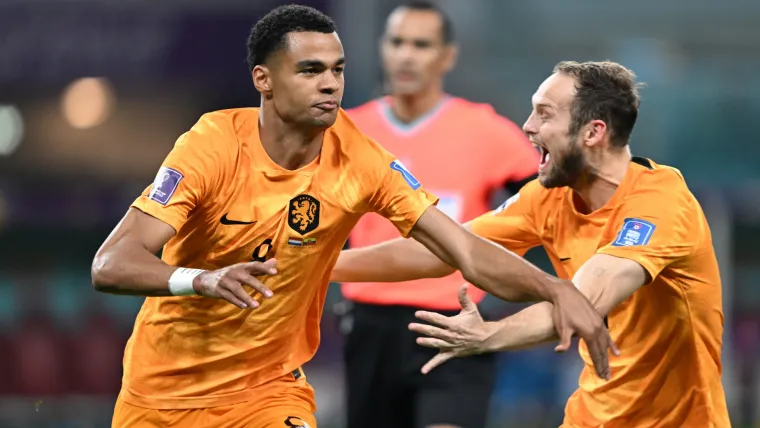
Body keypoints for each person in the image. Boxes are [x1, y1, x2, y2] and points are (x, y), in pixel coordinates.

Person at [90, 5, 613, 428]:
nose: (329, 84)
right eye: (310, 70)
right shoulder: (211, 145)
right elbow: (111, 264)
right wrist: (201, 279)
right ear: (263, 80)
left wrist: (557, 289)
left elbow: (466, 251)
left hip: (270, 393)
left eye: (337, 70)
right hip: (158, 395)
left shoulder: (363, 159)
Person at [331, 60, 731, 427]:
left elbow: (583, 301)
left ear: (593, 132)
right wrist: (317, 265)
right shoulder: (548, 197)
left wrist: (490, 335)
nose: (527, 126)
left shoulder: (661, 203)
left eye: (545, 114)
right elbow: (447, 247)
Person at [339, 2, 539, 428]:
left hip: (454, 320)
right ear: (382, 49)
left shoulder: (485, 131)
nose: (407, 55)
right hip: (370, 324)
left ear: (447, 56)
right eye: (397, 42)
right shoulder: (346, 133)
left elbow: (545, 201)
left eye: (421, 44)